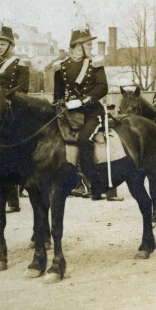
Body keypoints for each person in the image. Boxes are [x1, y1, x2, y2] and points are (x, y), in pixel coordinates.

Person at [54, 27, 122, 201]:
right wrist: (60, 106)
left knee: (84, 139)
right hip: (70, 113)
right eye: (88, 45)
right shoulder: (61, 67)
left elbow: (102, 88)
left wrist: (83, 101)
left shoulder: (94, 63)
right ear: (78, 46)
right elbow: (58, 94)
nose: (91, 48)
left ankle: (90, 185)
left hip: (93, 112)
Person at [0, 25, 30, 214]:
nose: (0, 47)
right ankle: (7, 200)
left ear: (11, 45)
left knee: (9, 151)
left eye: (3, 44)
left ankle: (2, 200)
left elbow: (24, 90)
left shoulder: (21, 64)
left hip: (13, 110)